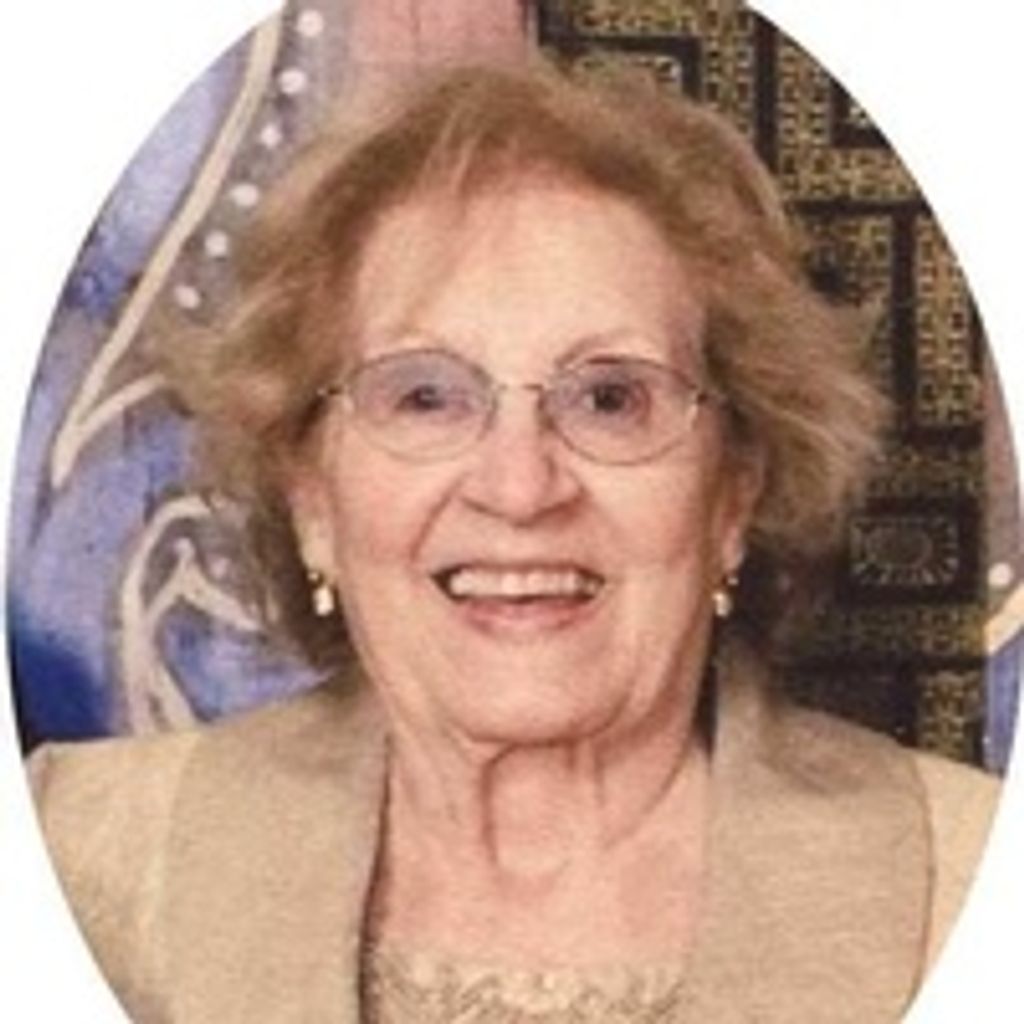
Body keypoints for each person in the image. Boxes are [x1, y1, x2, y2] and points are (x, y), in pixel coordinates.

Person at [28, 59, 998, 1024]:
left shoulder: (973, 883)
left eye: (610, 398)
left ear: (731, 498)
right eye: (425, 395)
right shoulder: (77, 856)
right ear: (313, 498)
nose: (520, 486)